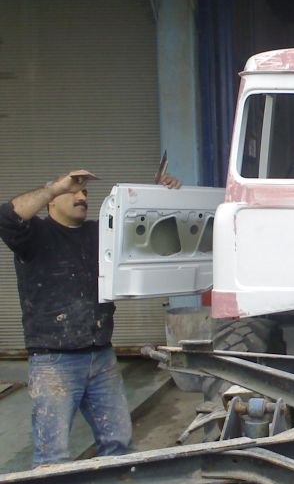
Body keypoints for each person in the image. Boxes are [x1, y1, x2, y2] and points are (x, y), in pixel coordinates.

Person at [0, 170, 181, 467]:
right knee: (52, 458)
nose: (81, 196)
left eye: (84, 193)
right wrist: (55, 186)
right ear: (51, 202)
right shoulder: (35, 235)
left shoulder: (101, 234)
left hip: (101, 356)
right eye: (73, 192)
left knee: (119, 447)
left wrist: (160, 195)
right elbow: (7, 217)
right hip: (54, 361)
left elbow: (145, 229)